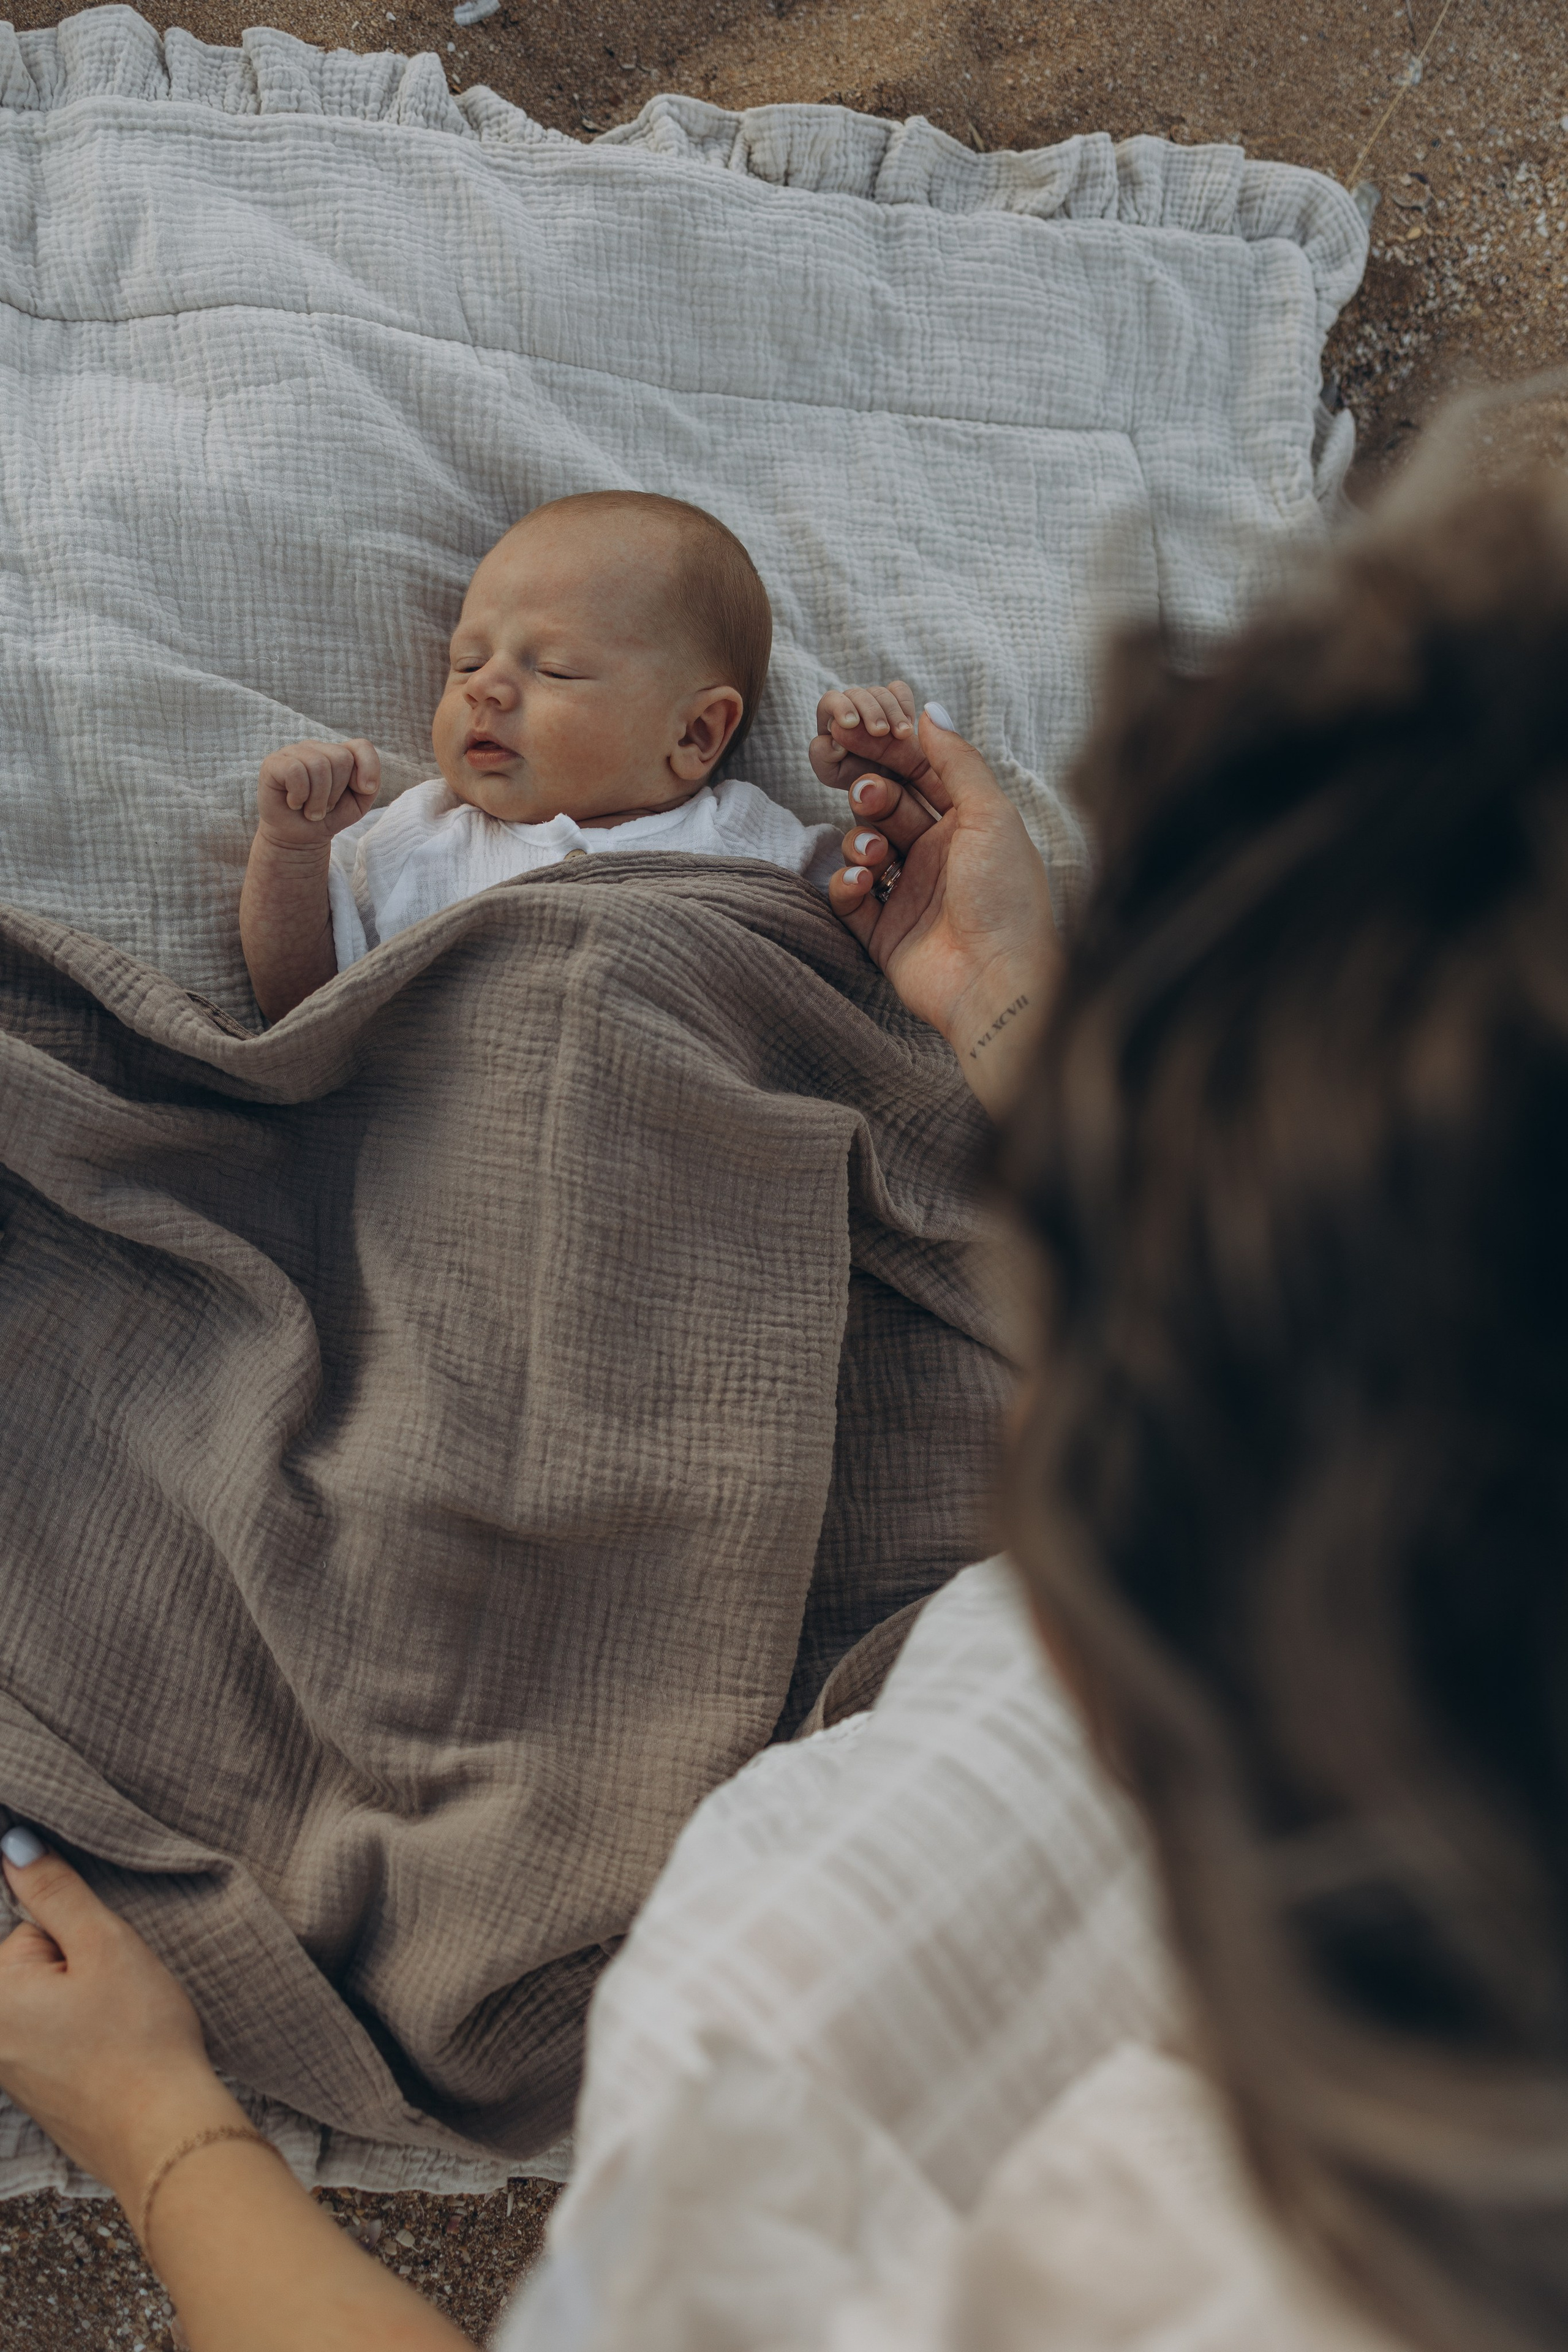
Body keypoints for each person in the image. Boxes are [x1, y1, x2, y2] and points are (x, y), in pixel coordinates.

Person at [6, 472, 1567, 2350]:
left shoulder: (852, 2063)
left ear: (701, 731)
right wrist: (999, 1002)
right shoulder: (1351, 1516)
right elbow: (317, 1024)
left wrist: (153, 2117)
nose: (486, 688)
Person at [238, 491, 843, 1022]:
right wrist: (292, 848)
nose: (484, 687)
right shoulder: (418, 837)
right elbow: (303, 1004)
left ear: (695, 734)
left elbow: (874, 933)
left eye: (554, 669)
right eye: (468, 662)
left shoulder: (742, 835)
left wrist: (883, 779)